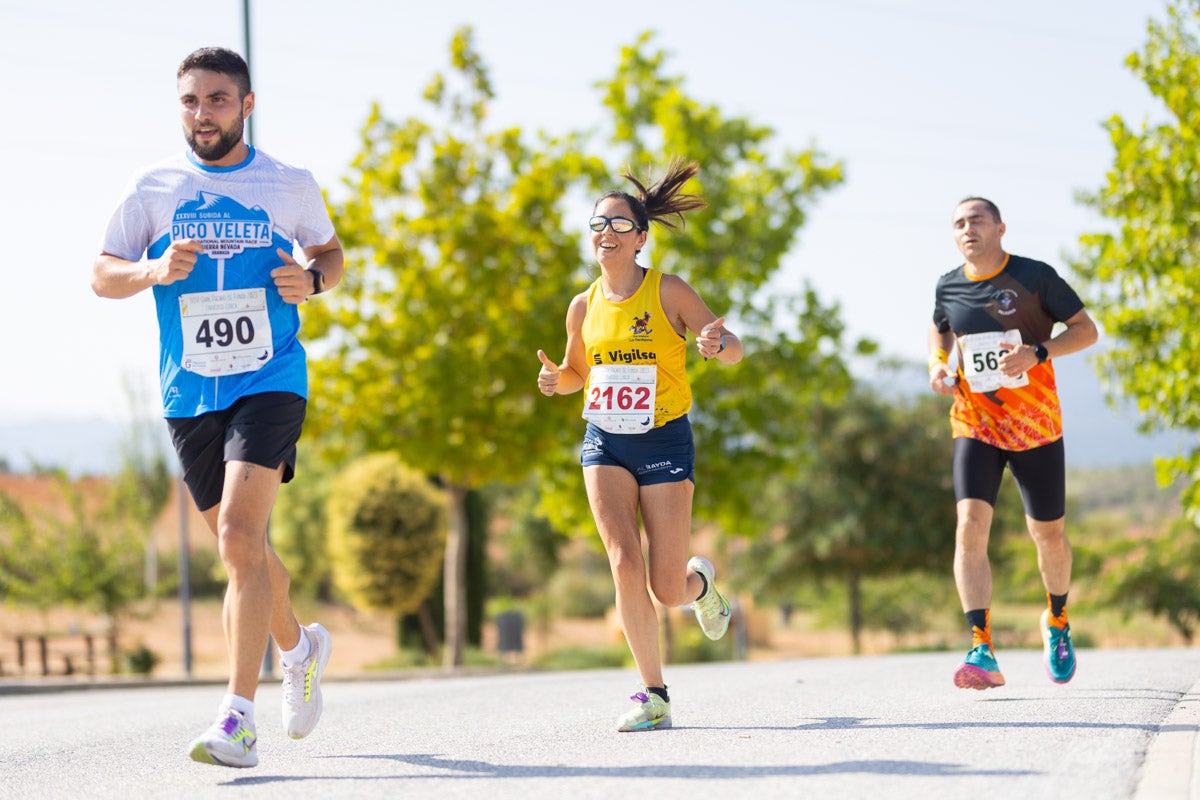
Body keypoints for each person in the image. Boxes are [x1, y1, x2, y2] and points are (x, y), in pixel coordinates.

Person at [92, 47, 344, 767]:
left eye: (218, 100)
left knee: (238, 533)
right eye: (191, 102)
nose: (203, 114)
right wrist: (149, 269)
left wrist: (314, 282)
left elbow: (331, 252)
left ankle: (238, 718)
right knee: (245, 550)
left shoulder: (286, 184)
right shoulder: (154, 189)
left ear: (247, 104)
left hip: (270, 377)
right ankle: (299, 647)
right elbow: (101, 273)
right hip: (189, 389)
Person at [536, 159, 743, 731]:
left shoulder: (668, 290)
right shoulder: (583, 305)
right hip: (603, 439)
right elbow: (579, 371)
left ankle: (701, 587)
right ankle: (654, 694)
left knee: (666, 585)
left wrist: (715, 341)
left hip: (663, 437)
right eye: (597, 223)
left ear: (641, 237)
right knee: (624, 561)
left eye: (619, 224)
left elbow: (733, 350)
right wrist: (559, 380)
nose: (606, 232)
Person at [928, 197, 1098, 690]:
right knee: (969, 525)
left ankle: (1058, 620)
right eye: (958, 223)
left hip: (1035, 425)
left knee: (1049, 534)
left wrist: (1038, 352)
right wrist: (938, 366)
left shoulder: (1035, 276)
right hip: (974, 422)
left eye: (976, 220)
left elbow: (1086, 330)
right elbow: (939, 330)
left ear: (1000, 228)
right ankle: (981, 646)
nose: (967, 229)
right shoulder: (947, 283)